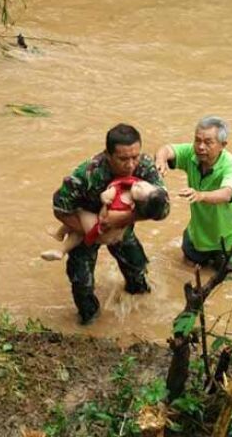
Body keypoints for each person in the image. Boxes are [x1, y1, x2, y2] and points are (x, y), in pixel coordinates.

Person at [52, 123, 170, 324]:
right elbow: (60, 208)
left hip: (122, 227)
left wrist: (124, 219)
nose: (131, 165)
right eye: (123, 159)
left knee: (138, 270)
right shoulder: (86, 174)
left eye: (135, 157)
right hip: (86, 225)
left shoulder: (145, 167)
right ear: (108, 154)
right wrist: (93, 231)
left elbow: (163, 209)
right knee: (82, 284)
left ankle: (139, 316)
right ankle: (91, 323)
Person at [155, 116, 232, 267]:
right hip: (198, 236)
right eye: (197, 140)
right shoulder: (191, 153)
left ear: (223, 145)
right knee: (186, 271)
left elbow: (227, 193)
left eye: (208, 142)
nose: (201, 147)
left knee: (228, 279)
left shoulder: (231, 164)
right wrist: (160, 160)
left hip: (228, 238)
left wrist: (200, 195)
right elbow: (167, 149)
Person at [41, 178, 167, 261]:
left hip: (102, 231)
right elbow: (124, 182)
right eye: (143, 184)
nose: (139, 184)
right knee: (78, 228)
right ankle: (60, 240)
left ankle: (61, 247)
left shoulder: (123, 206)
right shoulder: (134, 195)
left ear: (135, 205)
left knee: (77, 213)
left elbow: (103, 218)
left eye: (140, 189)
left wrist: (105, 202)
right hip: (115, 236)